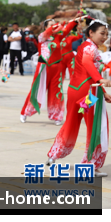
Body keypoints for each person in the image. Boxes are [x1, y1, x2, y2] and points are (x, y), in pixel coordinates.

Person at [46, 20, 111, 177]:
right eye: (102, 33)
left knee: (71, 123)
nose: (105, 37)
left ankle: (53, 155)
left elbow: (89, 70)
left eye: (107, 34)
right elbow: (88, 64)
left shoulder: (85, 46)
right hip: (88, 95)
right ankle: (90, 165)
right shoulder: (89, 48)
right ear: (91, 33)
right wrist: (100, 80)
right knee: (97, 126)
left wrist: (103, 91)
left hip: (77, 91)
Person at [20, 19, 78, 125]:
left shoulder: (58, 37)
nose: (55, 26)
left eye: (55, 24)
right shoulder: (42, 36)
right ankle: (25, 112)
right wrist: (58, 26)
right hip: (43, 67)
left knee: (56, 91)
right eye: (51, 25)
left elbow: (67, 28)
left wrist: (74, 21)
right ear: (46, 27)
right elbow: (48, 32)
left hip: (56, 67)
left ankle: (57, 116)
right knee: (36, 90)